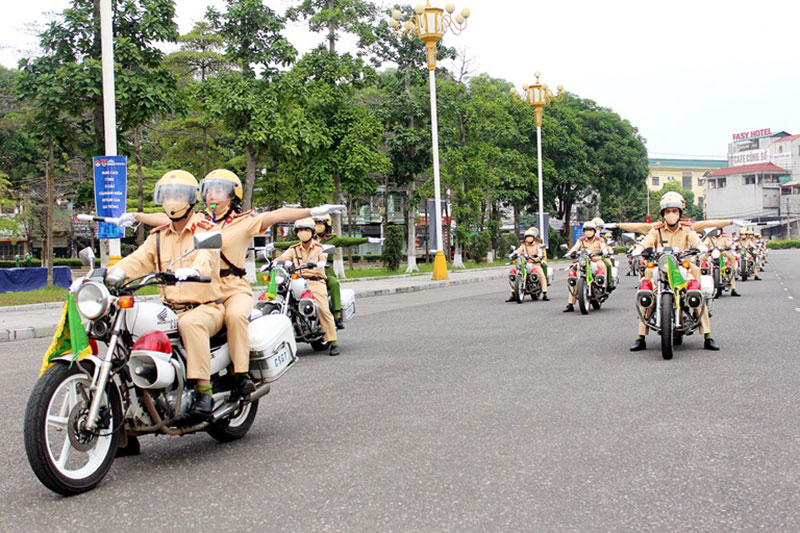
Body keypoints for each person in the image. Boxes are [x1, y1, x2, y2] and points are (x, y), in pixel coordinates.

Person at [117, 169, 344, 394]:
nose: (212, 196)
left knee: (234, 316)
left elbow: (276, 215)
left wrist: (310, 211)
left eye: (219, 191)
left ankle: (240, 373)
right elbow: (166, 218)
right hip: (201, 286)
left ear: (232, 195)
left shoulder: (244, 222)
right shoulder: (199, 220)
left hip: (232, 287)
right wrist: (136, 216)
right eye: (208, 191)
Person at [106, 170, 223, 417]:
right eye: (168, 195)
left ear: (192, 198)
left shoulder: (207, 230)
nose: (172, 201)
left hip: (205, 308)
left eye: (178, 195)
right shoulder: (158, 236)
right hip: (169, 309)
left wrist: (194, 270)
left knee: (191, 324)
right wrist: (110, 274)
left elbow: (206, 258)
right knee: (133, 324)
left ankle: (204, 390)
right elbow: (137, 260)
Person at [629, 192, 719, 352]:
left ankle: (707, 336)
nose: (671, 214)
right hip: (660, 268)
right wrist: (638, 249)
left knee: (696, 293)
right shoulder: (656, 230)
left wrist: (701, 247)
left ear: (679, 213)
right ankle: (640, 337)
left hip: (682, 267)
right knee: (647, 294)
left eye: (674, 211)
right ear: (663, 214)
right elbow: (646, 242)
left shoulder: (687, 229)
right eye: (668, 211)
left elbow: (695, 240)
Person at [274, 214, 382, 329]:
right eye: (316, 224)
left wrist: (367, 239)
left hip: (325, 270)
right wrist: (274, 245)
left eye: (320, 223)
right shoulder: (308, 239)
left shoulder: (331, 239)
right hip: (305, 270)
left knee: (333, 283)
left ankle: (337, 315)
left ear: (326, 225)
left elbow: (348, 241)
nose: (318, 226)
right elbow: (290, 245)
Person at [276, 218, 340, 355]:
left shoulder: (319, 248)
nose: (303, 232)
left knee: (323, 309)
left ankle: (333, 342)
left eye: (306, 230)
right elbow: (282, 258)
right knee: (281, 300)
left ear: (311, 232)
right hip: (297, 280)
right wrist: (272, 263)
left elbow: (323, 257)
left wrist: (321, 263)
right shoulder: (293, 249)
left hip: (315, 281)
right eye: (300, 230)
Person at [562, 221, 610, 312]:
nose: (588, 232)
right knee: (574, 277)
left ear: (594, 231)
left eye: (590, 230)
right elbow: (575, 248)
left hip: (596, 260)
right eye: (586, 230)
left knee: (603, 266)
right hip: (584, 261)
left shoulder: (599, 240)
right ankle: (570, 304)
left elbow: (604, 247)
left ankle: (603, 286)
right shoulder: (581, 240)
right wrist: (570, 253)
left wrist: (605, 251)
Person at [506, 227, 549, 302]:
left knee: (541, 275)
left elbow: (540, 253)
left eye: (530, 236)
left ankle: (545, 293)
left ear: (534, 238)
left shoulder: (537, 246)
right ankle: (513, 293)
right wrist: (512, 255)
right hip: (524, 264)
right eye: (527, 237)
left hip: (535, 264)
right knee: (513, 274)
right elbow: (517, 251)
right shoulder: (523, 246)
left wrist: (538, 256)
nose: (528, 238)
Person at [700, 225, 740, 297]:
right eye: (715, 230)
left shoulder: (724, 237)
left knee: (731, 263)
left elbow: (728, 244)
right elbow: (704, 244)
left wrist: (729, 245)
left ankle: (733, 289)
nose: (717, 232)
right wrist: (704, 248)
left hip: (722, 254)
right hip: (712, 254)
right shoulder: (709, 238)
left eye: (718, 230)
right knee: (701, 259)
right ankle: (702, 273)